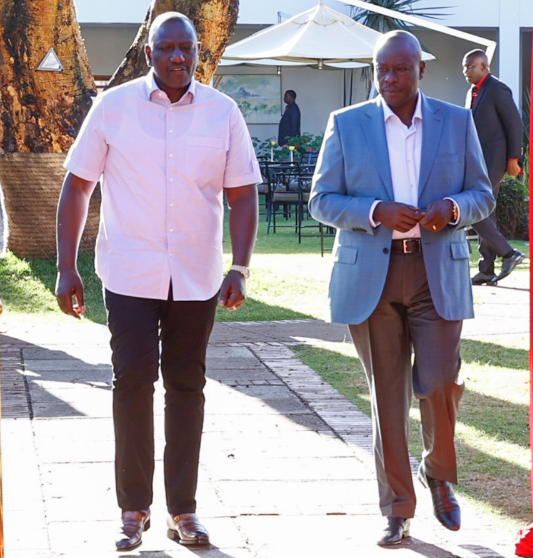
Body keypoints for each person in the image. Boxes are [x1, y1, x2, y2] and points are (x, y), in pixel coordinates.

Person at [55, 12, 261, 551]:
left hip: (196, 278)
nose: (176, 57)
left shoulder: (224, 113)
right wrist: (66, 266)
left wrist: (239, 266)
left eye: (185, 49)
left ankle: (183, 510)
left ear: (198, 54)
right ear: (150, 54)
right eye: (166, 48)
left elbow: (242, 193)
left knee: (187, 390)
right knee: (132, 385)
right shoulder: (113, 107)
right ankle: (132, 509)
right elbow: (78, 185)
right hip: (129, 273)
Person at [309, 30, 495, 546]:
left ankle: (437, 470)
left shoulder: (456, 122)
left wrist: (452, 209)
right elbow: (321, 200)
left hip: (437, 274)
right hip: (371, 275)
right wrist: (374, 212)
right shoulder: (346, 124)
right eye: (380, 70)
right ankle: (397, 507)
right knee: (386, 398)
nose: (389, 79)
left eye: (399, 69)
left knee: (438, 383)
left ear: (421, 71)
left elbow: (483, 193)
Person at [463, 49, 524, 285]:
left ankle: (510, 253)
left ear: (484, 67)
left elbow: (514, 125)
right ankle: (486, 269)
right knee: (486, 212)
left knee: (475, 206)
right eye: (464, 67)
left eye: (470, 66)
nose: (465, 71)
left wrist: (512, 159)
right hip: (477, 160)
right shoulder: (473, 92)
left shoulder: (497, 89)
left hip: (495, 161)